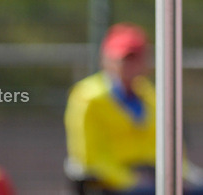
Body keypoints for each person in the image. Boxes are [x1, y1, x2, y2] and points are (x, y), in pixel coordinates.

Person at [65, 23, 157, 194]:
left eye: (135, 58)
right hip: (110, 182)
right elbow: (89, 157)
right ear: (107, 60)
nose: (129, 66)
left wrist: (184, 176)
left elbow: (165, 145)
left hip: (149, 175)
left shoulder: (150, 94)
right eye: (124, 59)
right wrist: (131, 181)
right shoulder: (87, 97)